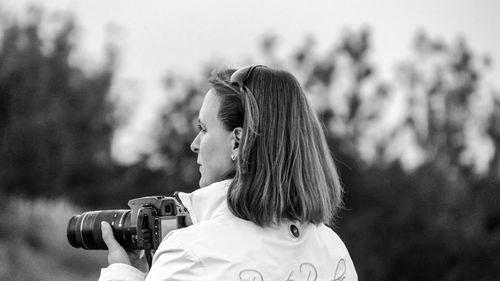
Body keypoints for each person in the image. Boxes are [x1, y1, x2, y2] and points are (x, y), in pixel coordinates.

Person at [98, 65, 358, 281]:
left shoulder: (190, 253)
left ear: (237, 141)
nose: (195, 143)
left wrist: (123, 273)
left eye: (204, 128)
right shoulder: (333, 252)